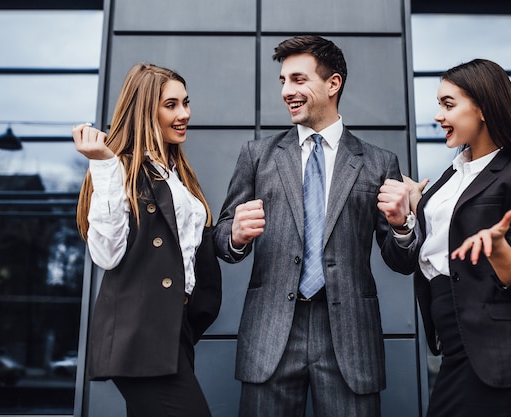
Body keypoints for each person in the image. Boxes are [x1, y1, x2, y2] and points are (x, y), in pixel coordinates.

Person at [213, 35, 417, 417]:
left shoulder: (377, 163)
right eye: (283, 81)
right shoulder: (257, 156)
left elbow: (401, 260)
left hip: (350, 337)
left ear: (333, 84)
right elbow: (223, 238)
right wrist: (235, 236)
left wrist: (402, 226)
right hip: (271, 332)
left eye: (298, 79)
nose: (287, 91)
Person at [395, 58, 511, 417]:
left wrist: (498, 249)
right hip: (458, 347)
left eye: (448, 104)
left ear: (483, 108)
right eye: (439, 104)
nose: (439, 115)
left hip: (502, 356)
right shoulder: (447, 180)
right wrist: (414, 210)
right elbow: (426, 251)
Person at [72, 63, 221, 417]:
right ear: (144, 109)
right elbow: (105, 254)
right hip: (141, 334)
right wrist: (105, 165)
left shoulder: (175, 173)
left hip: (175, 330)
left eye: (185, 102)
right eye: (171, 105)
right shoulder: (118, 169)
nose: (184, 114)